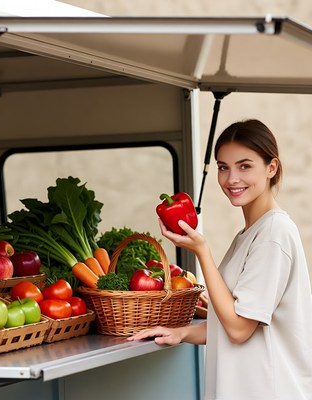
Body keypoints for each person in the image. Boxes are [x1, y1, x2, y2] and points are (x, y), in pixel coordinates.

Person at [128, 119, 312, 399]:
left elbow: (239, 330)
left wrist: (202, 251)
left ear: (271, 168)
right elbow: (229, 323)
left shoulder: (273, 234)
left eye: (245, 166)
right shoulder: (250, 234)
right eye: (223, 167)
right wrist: (181, 333)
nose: (231, 179)